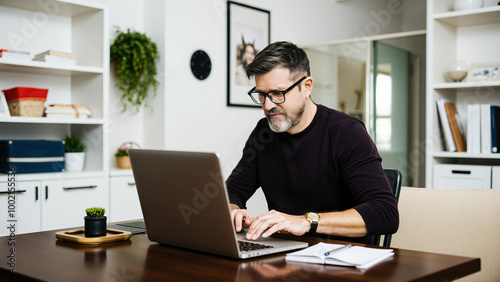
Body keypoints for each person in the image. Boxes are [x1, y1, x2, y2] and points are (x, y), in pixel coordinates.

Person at [226, 41, 399, 245]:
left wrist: (306, 222)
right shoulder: (263, 133)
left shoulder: (346, 132)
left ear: (306, 87)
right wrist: (234, 212)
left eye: (278, 94)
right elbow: (232, 192)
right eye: (262, 95)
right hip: (284, 254)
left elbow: (385, 213)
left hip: (341, 261)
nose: (268, 105)